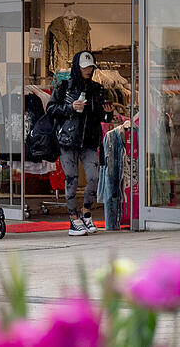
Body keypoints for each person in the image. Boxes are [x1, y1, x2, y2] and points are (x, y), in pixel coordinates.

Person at [47, 51, 113, 236]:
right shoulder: (64, 87)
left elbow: (103, 116)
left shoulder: (98, 89)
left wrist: (108, 113)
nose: (88, 70)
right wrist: (70, 107)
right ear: (77, 67)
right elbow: (51, 109)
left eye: (90, 67)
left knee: (94, 176)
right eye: (84, 67)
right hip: (67, 139)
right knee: (72, 178)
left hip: (89, 140)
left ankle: (86, 211)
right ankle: (73, 217)